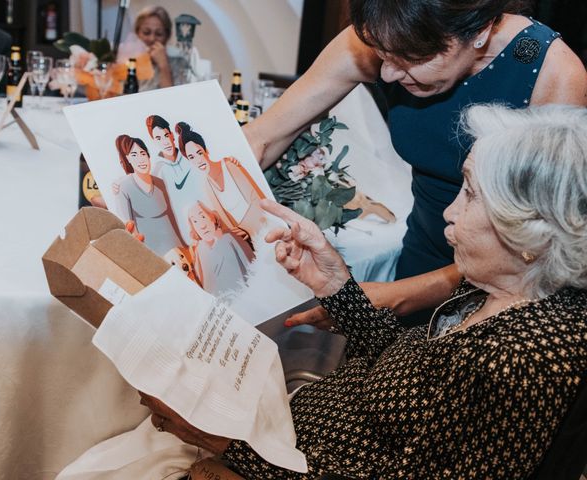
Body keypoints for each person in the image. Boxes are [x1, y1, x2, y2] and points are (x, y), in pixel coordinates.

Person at [140, 104, 587, 479]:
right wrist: (336, 288)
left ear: (530, 235)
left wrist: (225, 443)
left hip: (287, 458)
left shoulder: (519, 360)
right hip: (293, 432)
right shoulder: (502, 290)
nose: (449, 211)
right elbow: (406, 380)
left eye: (471, 195)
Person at [245, 0, 587, 325]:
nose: (389, 74)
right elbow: (264, 138)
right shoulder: (388, 33)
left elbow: (539, 246)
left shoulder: (553, 75)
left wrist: (398, 296)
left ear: (479, 30)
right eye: (383, 55)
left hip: (504, 287)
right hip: (422, 250)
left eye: (410, 58)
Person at [176, 121, 267, 238]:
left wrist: (247, 228)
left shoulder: (229, 165)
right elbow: (227, 222)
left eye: (199, 153)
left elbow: (258, 200)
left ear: (206, 150)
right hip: (248, 240)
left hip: (264, 226)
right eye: (191, 157)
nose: (198, 160)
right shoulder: (207, 186)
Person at [113, 134, 184, 256]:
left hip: (176, 250)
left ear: (148, 155)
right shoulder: (123, 187)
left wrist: (183, 245)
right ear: (128, 159)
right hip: (151, 253)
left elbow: (172, 218)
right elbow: (128, 227)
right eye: (134, 155)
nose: (141, 159)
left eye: (143, 153)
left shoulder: (160, 183)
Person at [187, 200, 254, 297]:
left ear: (212, 217)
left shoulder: (230, 237)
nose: (202, 225)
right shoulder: (199, 253)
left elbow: (253, 268)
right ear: (194, 228)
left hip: (247, 294)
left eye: (203, 216)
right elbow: (205, 288)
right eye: (195, 221)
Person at [134, 6, 174, 91]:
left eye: (159, 34)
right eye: (146, 32)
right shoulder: (126, 62)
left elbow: (172, 100)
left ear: (167, 37)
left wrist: (163, 66)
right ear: (137, 33)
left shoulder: (179, 65)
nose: (152, 39)